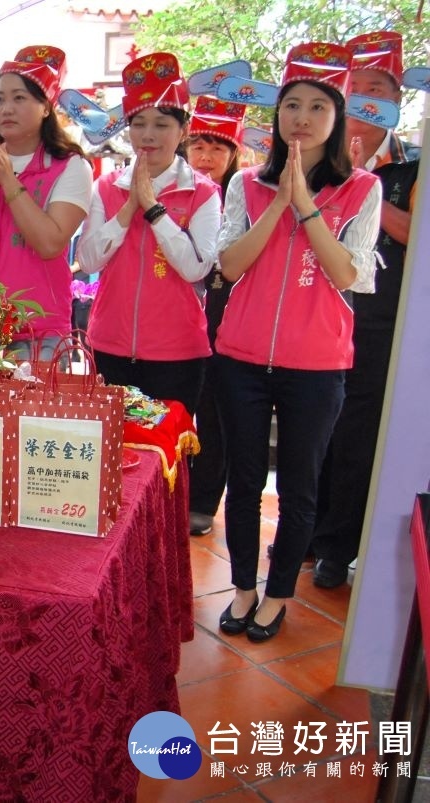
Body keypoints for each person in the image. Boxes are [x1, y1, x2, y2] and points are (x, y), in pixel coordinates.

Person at [215, 42, 381, 642]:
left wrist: (306, 204)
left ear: (336, 121)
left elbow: (348, 275)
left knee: (299, 485)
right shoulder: (245, 185)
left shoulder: (363, 190)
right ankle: (241, 587)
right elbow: (229, 266)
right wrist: (278, 200)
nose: (302, 117)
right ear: (277, 116)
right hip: (241, 359)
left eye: (317, 107)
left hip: (317, 366)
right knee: (244, 478)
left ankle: (279, 592)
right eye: (291, 105)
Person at [310, 31, 420, 589]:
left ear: (396, 103)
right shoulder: (316, 164)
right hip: (319, 315)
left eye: (377, 89)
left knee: (357, 431)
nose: (365, 98)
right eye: (356, 89)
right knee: (315, 426)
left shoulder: (411, 167)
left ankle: (338, 546)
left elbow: (416, 235)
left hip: (378, 323)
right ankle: (308, 533)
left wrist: (366, 183)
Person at [75, 53, 221, 414]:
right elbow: (89, 258)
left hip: (178, 352)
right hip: (109, 344)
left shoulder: (202, 193)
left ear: (183, 130)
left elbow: (195, 268)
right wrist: (128, 208)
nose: (149, 135)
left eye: (161, 125)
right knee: (111, 458)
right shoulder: (107, 187)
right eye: (139, 124)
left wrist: (155, 210)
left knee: (169, 457)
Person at [0, 46, 93, 358]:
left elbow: (50, 242)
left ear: (46, 107)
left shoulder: (71, 166)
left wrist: (8, 180)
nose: (6, 108)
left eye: (19, 98)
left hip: (38, 334)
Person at [184, 96, 247, 536]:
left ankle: (203, 499)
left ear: (233, 155)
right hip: (177, 320)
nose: (206, 158)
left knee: (215, 412)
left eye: (217, 149)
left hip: (226, 318)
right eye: (198, 147)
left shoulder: (244, 198)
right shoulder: (175, 192)